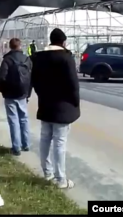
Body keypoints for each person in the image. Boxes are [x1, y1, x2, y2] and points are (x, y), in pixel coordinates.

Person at [31, 28, 80, 189]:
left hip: (45, 103)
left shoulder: (38, 57)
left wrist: (41, 95)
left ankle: (48, 173)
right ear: (63, 42)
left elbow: (34, 81)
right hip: (63, 106)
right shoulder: (66, 58)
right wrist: (75, 102)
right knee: (59, 142)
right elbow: (73, 84)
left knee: (45, 138)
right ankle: (61, 178)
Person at [0, 38, 32, 156]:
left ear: (10, 46)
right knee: (24, 119)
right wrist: (28, 93)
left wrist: (3, 91)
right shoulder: (27, 59)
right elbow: (30, 78)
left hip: (10, 94)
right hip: (23, 93)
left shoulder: (7, 60)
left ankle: (16, 147)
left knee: (13, 120)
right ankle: (26, 144)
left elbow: (2, 78)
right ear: (20, 45)